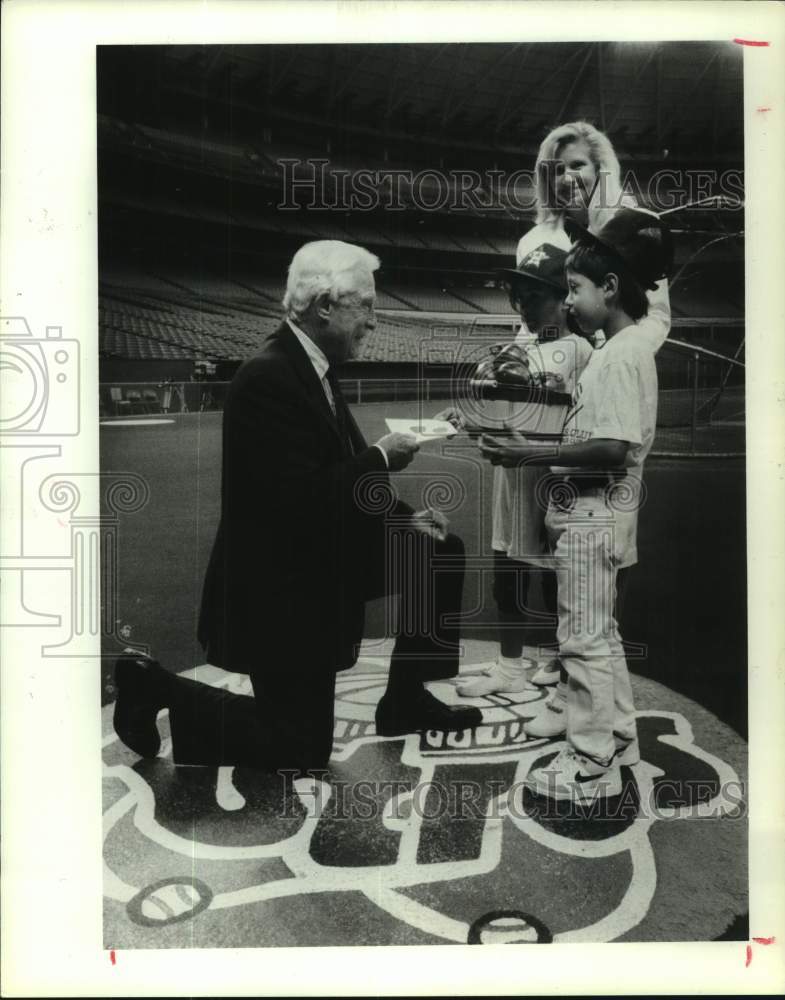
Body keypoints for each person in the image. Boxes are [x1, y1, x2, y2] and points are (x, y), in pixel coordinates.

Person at [113, 240, 481, 777]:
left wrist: (405, 518)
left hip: (313, 564)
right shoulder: (268, 377)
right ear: (325, 305)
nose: (374, 322)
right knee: (299, 749)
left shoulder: (314, 369)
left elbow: (344, 476)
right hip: (278, 590)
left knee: (437, 550)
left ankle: (404, 699)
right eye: (366, 306)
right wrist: (381, 457)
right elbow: (300, 503)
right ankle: (153, 686)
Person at [479, 207, 672, 801]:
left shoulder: (616, 354)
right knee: (602, 636)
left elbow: (612, 447)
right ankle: (617, 737)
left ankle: (590, 765)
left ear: (611, 288)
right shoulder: (627, 345)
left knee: (582, 640)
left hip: (592, 516)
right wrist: (530, 447)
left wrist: (530, 458)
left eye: (576, 288)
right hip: (601, 516)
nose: (571, 300)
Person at [498, 121, 672, 699]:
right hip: (550, 400)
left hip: (604, 395)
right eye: (556, 169)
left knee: (596, 538)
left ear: (600, 169)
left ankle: (582, 673)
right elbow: (530, 319)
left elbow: (655, 318)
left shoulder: (631, 226)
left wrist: (602, 363)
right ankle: (558, 661)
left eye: (578, 165)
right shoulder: (535, 238)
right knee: (542, 535)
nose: (567, 178)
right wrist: (526, 361)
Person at [455, 242, 593, 699]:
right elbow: (500, 402)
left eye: (536, 297)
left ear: (563, 298)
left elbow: (582, 430)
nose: (526, 307)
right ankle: (511, 665)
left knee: (558, 578)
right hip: (512, 479)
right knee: (506, 570)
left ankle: (560, 662)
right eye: (521, 297)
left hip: (551, 477)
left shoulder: (582, 352)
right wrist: (470, 422)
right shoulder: (523, 342)